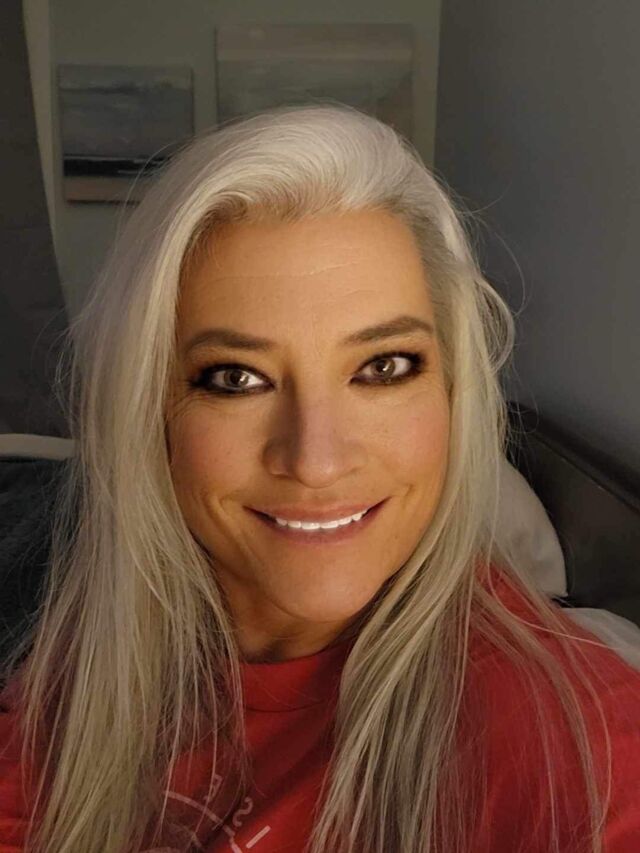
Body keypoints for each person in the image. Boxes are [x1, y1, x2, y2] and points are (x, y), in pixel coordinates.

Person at [0, 103, 638, 853]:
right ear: (151, 414)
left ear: (453, 392)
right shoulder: (88, 653)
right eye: (236, 378)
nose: (316, 460)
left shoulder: (582, 741)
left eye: (383, 367)